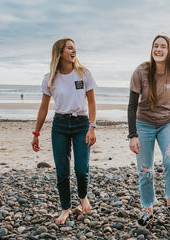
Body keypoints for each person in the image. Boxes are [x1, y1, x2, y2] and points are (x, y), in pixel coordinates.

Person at [31, 38, 97, 225]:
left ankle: (83, 196)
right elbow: (43, 108)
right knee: (62, 171)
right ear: (60, 52)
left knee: (81, 169)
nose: (73, 50)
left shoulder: (84, 74)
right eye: (69, 48)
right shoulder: (50, 78)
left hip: (81, 124)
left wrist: (92, 126)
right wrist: (36, 133)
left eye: (74, 48)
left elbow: (91, 102)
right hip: (59, 125)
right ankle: (65, 208)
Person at [127, 35, 170, 228]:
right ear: (152, 49)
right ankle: (148, 209)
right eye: (156, 46)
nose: (158, 49)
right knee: (145, 170)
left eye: (163, 46)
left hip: (167, 123)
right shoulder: (141, 71)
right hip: (143, 124)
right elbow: (131, 105)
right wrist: (133, 135)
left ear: (169, 51)